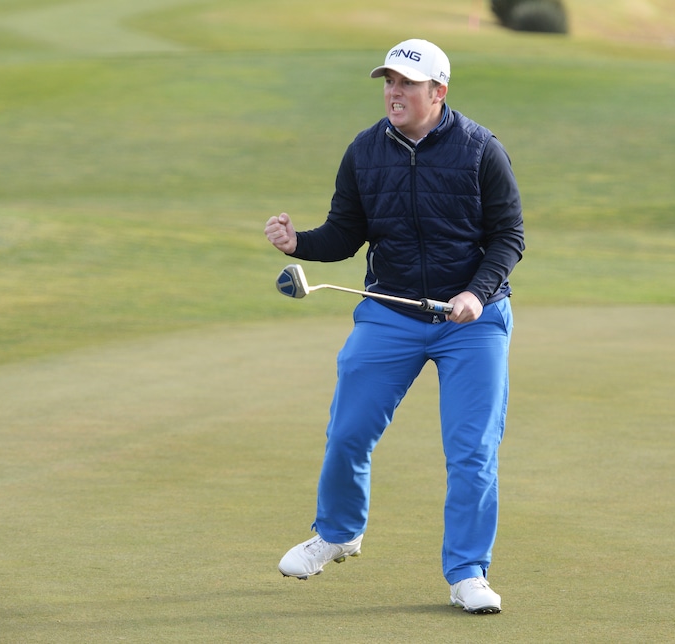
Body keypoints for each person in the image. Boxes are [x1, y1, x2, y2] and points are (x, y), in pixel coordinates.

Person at [264, 38, 525, 614]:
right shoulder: (364, 151)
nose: (394, 92)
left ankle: (467, 574)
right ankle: (337, 534)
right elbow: (344, 232)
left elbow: (509, 238)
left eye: (407, 83)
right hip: (391, 312)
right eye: (389, 81)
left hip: (472, 322)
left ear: (439, 91)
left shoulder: (482, 150)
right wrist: (299, 242)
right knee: (349, 432)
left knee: (471, 452)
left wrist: (476, 295)